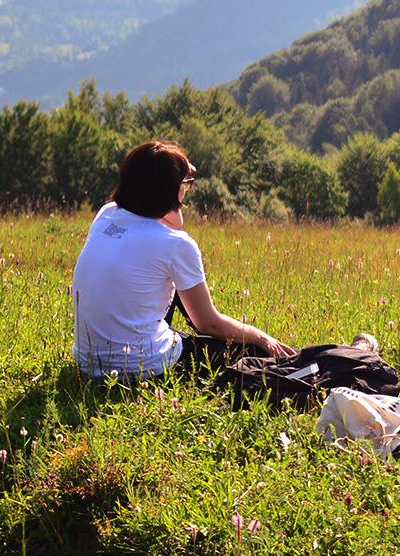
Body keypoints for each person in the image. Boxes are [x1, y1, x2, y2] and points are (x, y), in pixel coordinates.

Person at [71, 141, 293, 381]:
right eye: (185, 185)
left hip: (88, 364)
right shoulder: (175, 244)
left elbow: (169, 217)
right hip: (142, 367)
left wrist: (176, 176)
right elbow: (209, 323)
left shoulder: (106, 215)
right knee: (251, 352)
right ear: (170, 191)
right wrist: (261, 337)